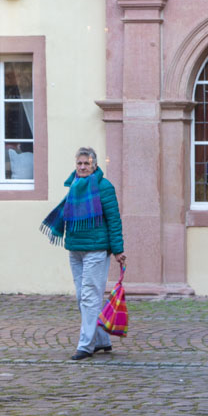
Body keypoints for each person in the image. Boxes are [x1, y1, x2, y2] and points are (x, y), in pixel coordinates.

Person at [40, 147, 126, 361]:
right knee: (83, 297)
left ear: (95, 165)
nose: (82, 167)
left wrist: (118, 250)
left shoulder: (104, 187)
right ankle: (102, 340)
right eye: (79, 163)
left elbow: (114, 220)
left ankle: (85, 345)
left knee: (89, 296)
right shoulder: (74, 186)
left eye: (86, 163)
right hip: (75, 248)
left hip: (96, 249)